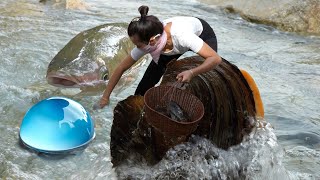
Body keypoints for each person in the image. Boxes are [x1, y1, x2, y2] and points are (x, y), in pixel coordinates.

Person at [98, 5, 221, 108]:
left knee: (206, 73)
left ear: (152, 40)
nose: (136, 48)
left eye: (138, 45)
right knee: (143, 89)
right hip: (168, 44)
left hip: (201, 34)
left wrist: (192, 72)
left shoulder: (183, 36)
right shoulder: (150, 42)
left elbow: (215, 59)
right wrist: (105, 97)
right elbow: (121, 68)